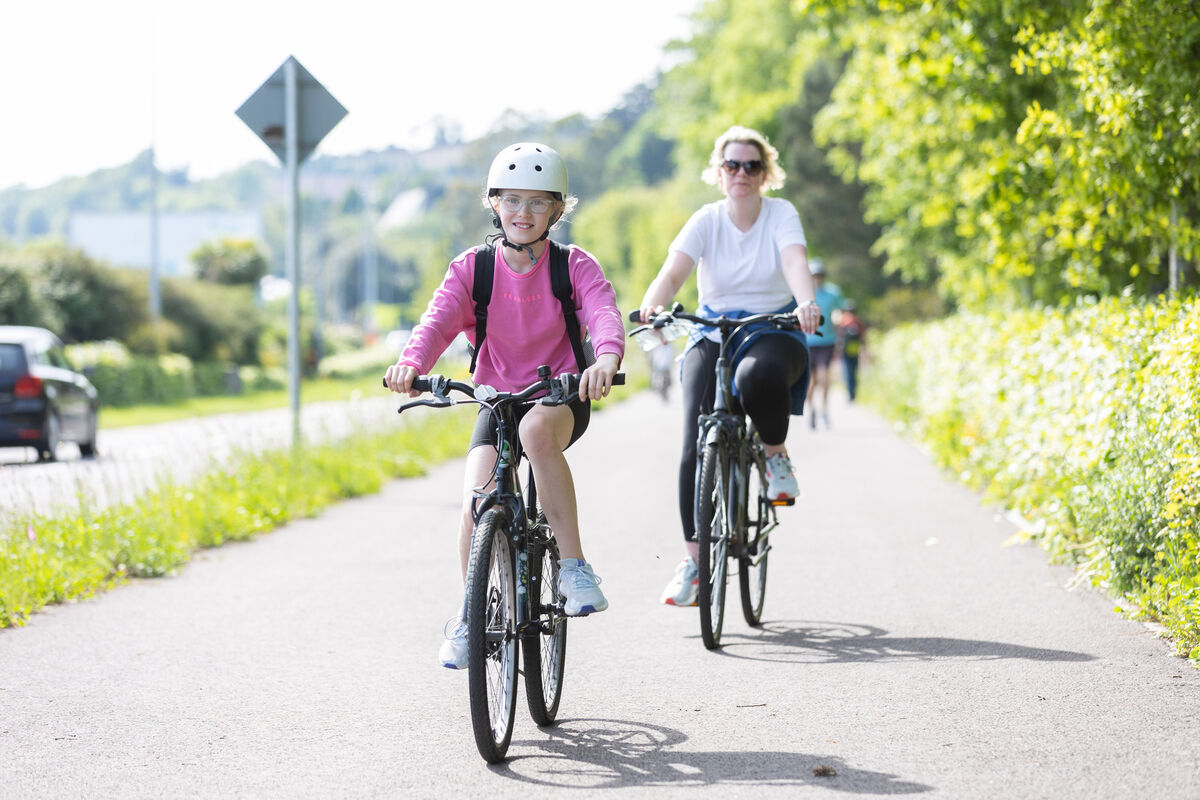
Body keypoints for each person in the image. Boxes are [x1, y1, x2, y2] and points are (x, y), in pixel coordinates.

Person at [384, 142, 625, 668]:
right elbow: (436, 322)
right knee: (476, 495)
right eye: (512, 200)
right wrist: (410, 364)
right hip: (495, 400)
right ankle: (473, 613)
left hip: (560, 395)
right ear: (494, 204)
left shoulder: (573, 265)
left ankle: (574, 566)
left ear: (557, 210)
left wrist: (605, 359)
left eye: (537, 203)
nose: (523, 212)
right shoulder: (474, 268)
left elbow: (604, 311)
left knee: (538, 435)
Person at [635, 125, 822, 607]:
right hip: (712, 330)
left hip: (771, 328)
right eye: (732, 165)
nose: (741, 173)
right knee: (693, 441)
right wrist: (654, 305)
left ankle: (776, 454)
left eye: (752, 165)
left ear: (765, 173)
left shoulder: (781, 214)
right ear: (719, 173)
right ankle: (695, 564)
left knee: (755, 378)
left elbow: (795, 260)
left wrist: (806, 301)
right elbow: (673, 272)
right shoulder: (706, 220)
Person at [804, 260, 843, 429]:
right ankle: (811, 409)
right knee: (810, 381)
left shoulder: (832, 292)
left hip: (827, 341)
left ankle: (824, 410)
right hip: (807, 341)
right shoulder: (803, 292)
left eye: (819, 276)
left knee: (824, 377)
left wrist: (839, 322)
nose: (817, 279)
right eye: (814, 276)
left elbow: (841, 311)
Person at [835, 298, 866, 402]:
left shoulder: (842, 321)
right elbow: (862, 337)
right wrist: (865, 350)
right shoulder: (858, 321)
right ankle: (853, 393)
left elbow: (839, 336)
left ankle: (850, 393)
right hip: (854, 350)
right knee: (854, 371)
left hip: (845, 351)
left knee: (847, 372)